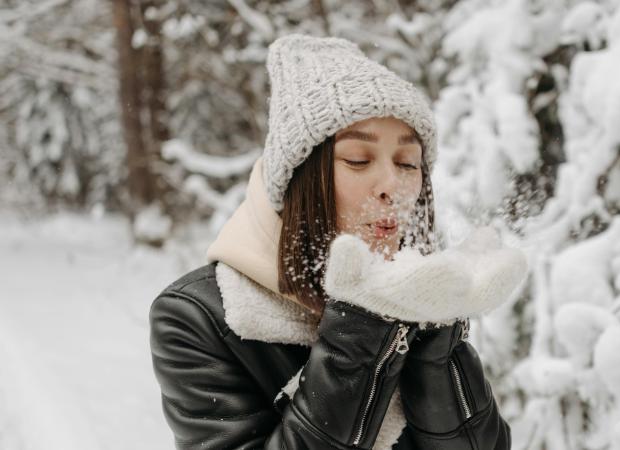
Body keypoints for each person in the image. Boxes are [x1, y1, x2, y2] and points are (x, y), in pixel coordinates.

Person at [149, 33, 527, 449]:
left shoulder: (419, 296)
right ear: (299, 177)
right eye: (358, 160)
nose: (393, 186)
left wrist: (438, 341)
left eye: (407, 163)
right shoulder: (201, 318)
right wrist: (361, 328)